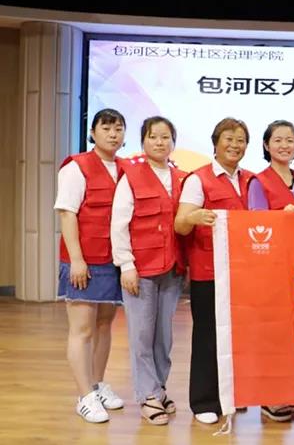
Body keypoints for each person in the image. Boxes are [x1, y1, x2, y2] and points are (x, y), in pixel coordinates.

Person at [174, 118, 254, 425]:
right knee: (207, 336)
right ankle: (204, 401)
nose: (235, 145)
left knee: (236, 336)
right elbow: (180, 224)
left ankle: (229, 396)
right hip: (209, 273)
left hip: (242, 272)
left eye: (240, 140)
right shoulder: (198, 180)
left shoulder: (250, 180)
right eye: (228, 139)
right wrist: (195, 217)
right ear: (215, 144)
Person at [111, 116, 186, 425]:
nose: (159, 142)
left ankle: (159, 388)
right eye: (153, 136)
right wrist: (126, 265)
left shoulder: (182, 178)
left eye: (165, 137)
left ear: (173, 142)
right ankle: (147, 396)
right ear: (143, 141)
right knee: (142, 335)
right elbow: (119, 223)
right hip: (139, 269)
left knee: (163, 336)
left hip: (172, 268)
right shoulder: (131, 176)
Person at [54, 108, 127, 423]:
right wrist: (77, 260)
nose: (113, 134)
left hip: (114, 260)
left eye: (118, 128)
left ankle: (97, 385)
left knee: (104, 325)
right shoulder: (76, 167)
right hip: (85, 260)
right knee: (82, 329)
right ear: (93, 132)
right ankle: (84, 396)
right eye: (106, 128)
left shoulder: (125, 168)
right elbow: (67, 213)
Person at [246, 119, 294, 422]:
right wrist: (278, 216)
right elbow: (255, 223)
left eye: (290, 140)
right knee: (272, 334)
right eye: (278, 140)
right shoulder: (258, 182)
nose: (285, 145)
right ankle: (270, 397)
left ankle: (292, 392)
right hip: (270, 269)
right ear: (266, 145)